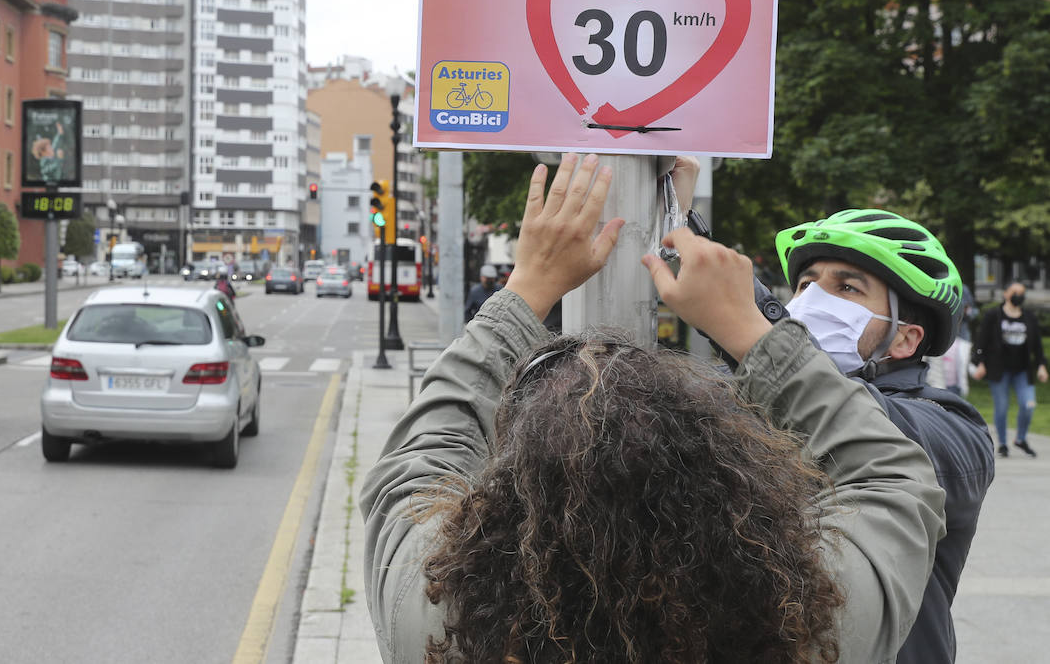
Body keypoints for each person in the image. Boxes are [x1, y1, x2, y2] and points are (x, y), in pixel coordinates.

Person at [362, 155, 945, 664]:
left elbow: (416, 462)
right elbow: (890, 476)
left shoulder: (439, 617)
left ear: (504, 497)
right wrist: (753, 333)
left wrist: (526, 289)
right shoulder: (811, 627)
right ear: (737, 493)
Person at [774, 208, 996, 663]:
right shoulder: (760, 396)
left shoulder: (947, 424)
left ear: (904, 340)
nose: (812, 299)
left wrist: (752, 329)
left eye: (847, 287)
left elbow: (857, 421)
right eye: (806, 283)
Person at [973, 281, 1047, 457]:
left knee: (1028, 405)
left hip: (1022, 370)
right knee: (1001, 407)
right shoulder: (994, 315)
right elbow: (981, 340)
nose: (1018, 296)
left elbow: (1037, 345)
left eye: (1021, 293)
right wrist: (980, 362)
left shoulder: (1029, 317)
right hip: (999, 370)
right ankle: (1003, 444)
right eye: (1015, 292)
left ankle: (1020, 439)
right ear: (1006, 294)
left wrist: (1041, 365)